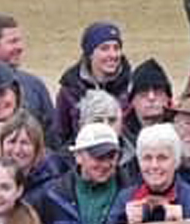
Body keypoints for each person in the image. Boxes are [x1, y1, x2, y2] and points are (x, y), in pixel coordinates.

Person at [52, 22, 132, 151]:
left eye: (116, 48)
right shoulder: (70, 89)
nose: (112, 55)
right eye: (104, 48)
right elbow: (60, 135)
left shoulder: (131, 87)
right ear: (90, 53)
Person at [0, 114, 63, 208]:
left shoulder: (51, 189)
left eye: (24, 143)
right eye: (12, 141)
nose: (17, 150)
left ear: (37, 148)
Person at [123, 58, 174, 144]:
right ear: (132, 101)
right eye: (143, 93)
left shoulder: (183, 132)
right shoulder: (121, 137)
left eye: (158, 92)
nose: (151, 97)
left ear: (168, 98)